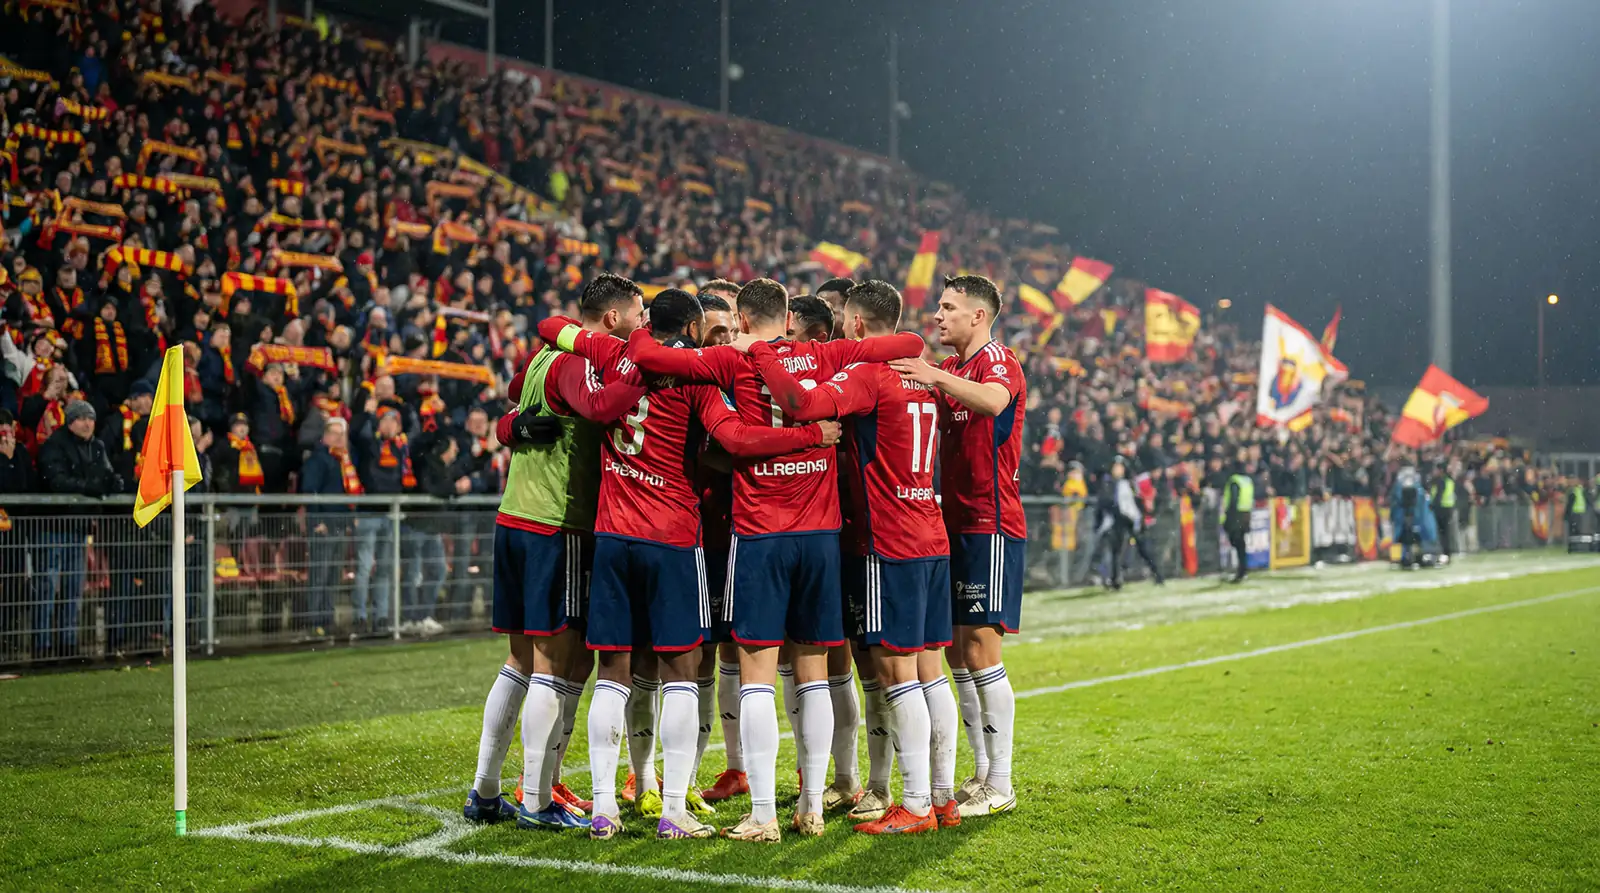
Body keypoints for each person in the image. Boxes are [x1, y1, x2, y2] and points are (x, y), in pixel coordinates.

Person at [624, 277, 923, 840]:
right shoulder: (828, 352)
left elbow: (643, 352)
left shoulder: (725, 362)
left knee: (758, 675)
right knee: (813, 676)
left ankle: (764, 814)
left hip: (760, 534)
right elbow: (908, 345)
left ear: (740, 316)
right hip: (820, 536)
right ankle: (810, 804)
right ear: (789, 317)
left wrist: (745, 350)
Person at [543, 288, 840, 839]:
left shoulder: (615, 357)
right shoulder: (698, 378)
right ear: (696, 326)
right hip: (675, 538)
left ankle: (605, 806)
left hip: (613, 533)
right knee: (682, 673)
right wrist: (808, 436)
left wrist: (613, 338)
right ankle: (673, 809)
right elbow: (734, 438)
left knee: (613, 673)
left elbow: (550, 326)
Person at [749, 279, 960, 834]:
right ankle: (941, 796)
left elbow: (801, 404)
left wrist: (764, 354)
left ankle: (913, 806)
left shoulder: (869, 373)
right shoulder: (923, 374)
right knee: (929, 671)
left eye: (846, 321)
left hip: (887, 541)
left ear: (860, 325)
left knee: (896, 674)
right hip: (930, 533)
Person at [462, 273, 648, 831]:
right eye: (637, 314)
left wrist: (511, 423)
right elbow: (596, 407)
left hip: (515, 518)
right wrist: (646, 373)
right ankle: (538, 802)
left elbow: (519, 392)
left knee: (520, 660)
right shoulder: (576, 362)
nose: (641, 324)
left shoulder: (546, 353)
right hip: (555, 524)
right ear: (611, 317)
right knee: (553, 663)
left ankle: (487, 791)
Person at [889, 274, 1026, 819]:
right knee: (956, 653)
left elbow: (993, 403)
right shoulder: (950, 370)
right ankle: (980, 775)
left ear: (978, 315)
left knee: (979, 652)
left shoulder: (999, 360)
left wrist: (933, 378)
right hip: (954, 524)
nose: (938, 316)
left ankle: (1002, 780)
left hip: (991, 523)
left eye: (948, 308)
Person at [34, 400, 120, 659]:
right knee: (46, 587)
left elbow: (107, 476)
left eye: (90, 418)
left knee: (73, 588)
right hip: (52, 526)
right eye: (81, 418)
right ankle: (42, 646)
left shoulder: (97, 446)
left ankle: (68, 644)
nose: (87, 423)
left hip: (79, 528)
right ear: (70, 421)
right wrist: (90, 487)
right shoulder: (54, 445)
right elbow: (56, 481)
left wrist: (108, 483)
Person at [300, 417, 360, 636]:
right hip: (324, 524)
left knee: (333, 574)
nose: (339, 438)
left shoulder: (343, 460)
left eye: (342, 434)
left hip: (339, 524)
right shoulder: (318, 459)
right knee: (320, 573)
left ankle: (327, 617)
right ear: (325, 436)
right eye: (335, 434)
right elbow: (310, 491)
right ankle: (315, 620)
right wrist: (316, 521)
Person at [1222, 456, 1255, 583]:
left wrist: (1227, 519)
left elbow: (1233, 500)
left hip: (1236, 516)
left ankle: (1240, 571)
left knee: (1236, 543)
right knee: (1241, 544)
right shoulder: (1247, 480)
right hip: (1246, 514)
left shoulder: (1234, 481)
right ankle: (1243, 569)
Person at [1430, 464, 1459, 561]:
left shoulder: (1440, 481)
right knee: (1446, 532)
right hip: (1449, 508)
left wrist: (1432, 506)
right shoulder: (1450, 480)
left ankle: (1444, 553)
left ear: (1440, 470)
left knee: (1442, 533)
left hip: (1441, 509)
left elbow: (1438, 496)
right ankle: (1447, 553)